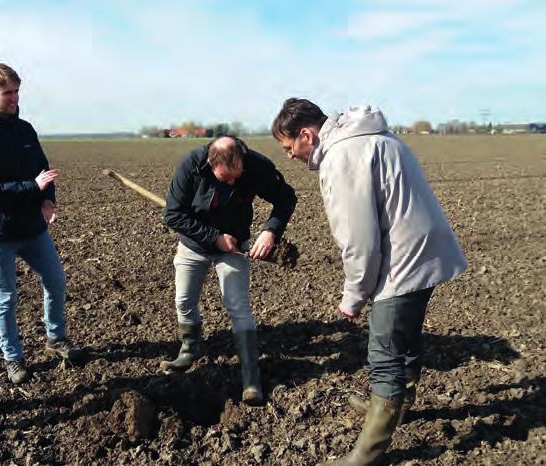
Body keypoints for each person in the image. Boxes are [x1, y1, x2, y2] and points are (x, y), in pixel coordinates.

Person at [272, 98, 468, 465]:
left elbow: (359, 239)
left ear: (306, 135)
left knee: (384, 353)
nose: (289, 156)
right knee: (405, 337)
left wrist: (354, 296)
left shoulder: (342, 156)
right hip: (425, 250)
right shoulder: (372, 136)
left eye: (288, 147)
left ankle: (367, 454)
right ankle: (399, 407)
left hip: (403, 260)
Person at [162, 136, 297, 405]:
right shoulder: (190, 166)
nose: (233, 182)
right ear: (211, 164)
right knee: (184, 301)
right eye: (226, 179)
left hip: (235, 246)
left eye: (237, 176)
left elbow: (285, 198)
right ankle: (189, 348)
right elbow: (173, 215)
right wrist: (213, 237)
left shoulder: (257, 166)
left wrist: (270, 232)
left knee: (239, 308)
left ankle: (250, 375)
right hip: (193, 246)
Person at [0, 62, 79, 384]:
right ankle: (12, 357)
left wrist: (47, 200)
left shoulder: (25, 129)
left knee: (56, 282)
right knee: (6, 296)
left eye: (17, 91)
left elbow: (43, 170)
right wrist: (33, 187)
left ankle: (56, 338)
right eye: (8, 93)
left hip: (32, 226)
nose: (15, 98)